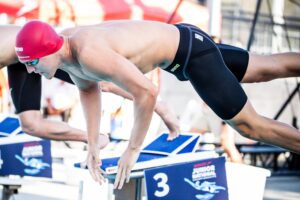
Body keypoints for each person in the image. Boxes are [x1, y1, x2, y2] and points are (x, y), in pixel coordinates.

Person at [15, 20, 300, 189]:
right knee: (265, 68)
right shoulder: (68, 51)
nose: (29, 72)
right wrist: (92, 146)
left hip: (192, 55)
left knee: (250, 126)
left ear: (49, 49)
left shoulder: (88, 52)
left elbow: (146, 93)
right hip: (187, 43)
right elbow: (89, 91)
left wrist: (132, 150)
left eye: (32, 63)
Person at [0, 25, 179, 150]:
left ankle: (159, 105)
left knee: (103, 82)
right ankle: (93, 139)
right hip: (20, 60)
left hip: (37, 51)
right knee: (31, 126)